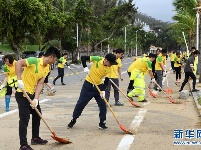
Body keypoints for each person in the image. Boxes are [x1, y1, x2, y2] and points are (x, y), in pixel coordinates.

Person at [15, 46, 61, 150]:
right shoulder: (34, 61)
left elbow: (40, 83)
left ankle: (35, 138)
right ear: (51, 57)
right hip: (22, 93)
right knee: (25, 118)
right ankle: (23, 145)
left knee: (37, 114)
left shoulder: (47, 68)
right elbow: (18, 63)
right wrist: (19, 80)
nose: (54, 62)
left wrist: (36, 98)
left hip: (31, 94)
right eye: (55, 60)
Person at [67, 53, 118, 130]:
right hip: (88, 85)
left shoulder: (109, 68)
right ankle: (73, 120)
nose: (111, 65)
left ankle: (102, 123)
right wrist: (85, 67)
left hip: (99, 86)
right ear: (106, 60)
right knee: (81, 103)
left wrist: (103, 90)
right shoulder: (97, 59)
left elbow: (107, 81)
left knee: (103, 105)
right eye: (110, 63)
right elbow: (83, 57)